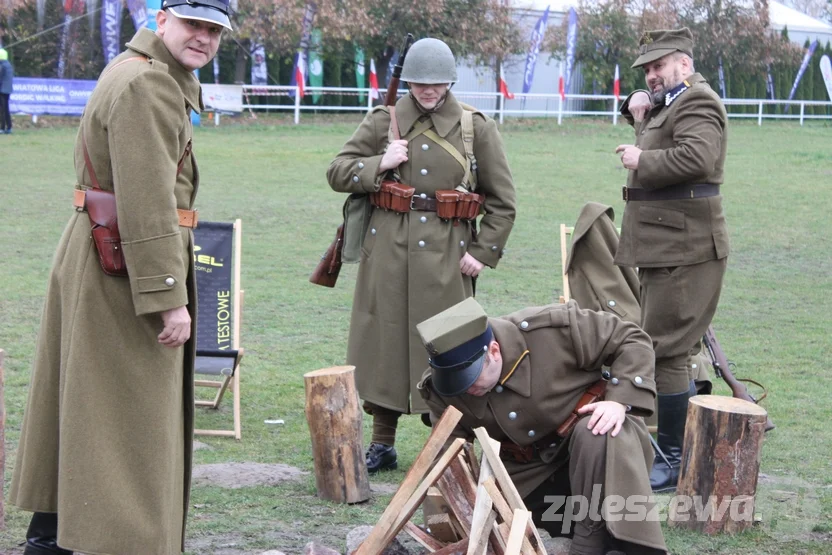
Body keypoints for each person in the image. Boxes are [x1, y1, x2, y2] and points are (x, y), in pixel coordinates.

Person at [9, 1, 231, 554]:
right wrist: (167, 299)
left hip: (102, 252)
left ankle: (51, 539)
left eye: (214, 30)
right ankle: (119, 541)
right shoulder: (150, 84)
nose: (202, 38)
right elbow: (148, 200)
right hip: (124, 266)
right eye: (192, 25)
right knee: (129, 421)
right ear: (162, 21)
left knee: (85, 407)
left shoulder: (133, 68)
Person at [326, 37, 516, 473]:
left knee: (451, 348)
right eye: (419, 83)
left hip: (450, 256)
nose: (427, 91)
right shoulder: (383, 120)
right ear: (408, 81)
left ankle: (444, 444)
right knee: (383, 347)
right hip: (387, 252)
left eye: (436, 84)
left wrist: (484, 253)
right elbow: (338, 171)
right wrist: (380, 162)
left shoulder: (475, 128)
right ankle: (382, 444)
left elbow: (503, 201)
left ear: (449, 82)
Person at [416, 298, 667, 555]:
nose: (466, 389)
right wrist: (441, 518)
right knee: (500, 538)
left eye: (470, 377)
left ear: (493, 351)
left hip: (597, 450)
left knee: (596, 431)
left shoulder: (551, 329)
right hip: (526, 472)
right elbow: (449, 456)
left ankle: (590, 545)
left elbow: (630, 338)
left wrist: (619, 401)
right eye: (455, 383)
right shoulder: (440, 390)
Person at [614, 27, 729, 493]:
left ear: (684, 62)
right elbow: (661, 125)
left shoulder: (699, 101)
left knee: (668, 350)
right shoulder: (673, 100)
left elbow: (698, 157)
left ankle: (673, 457)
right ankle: (668, 451)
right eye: (646, 68)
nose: (652, 74)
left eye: (659, 66)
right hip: (668, 245)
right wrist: (639, 104)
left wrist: (643, 158)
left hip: (687, 247)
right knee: (664, 347)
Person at [0, 47, 13, 134]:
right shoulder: (8, 65)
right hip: (8, 90)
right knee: (6, 109)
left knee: (2, 110)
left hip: (2, 90)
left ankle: (2, 128)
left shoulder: (2, 66)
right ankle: (9, 127)